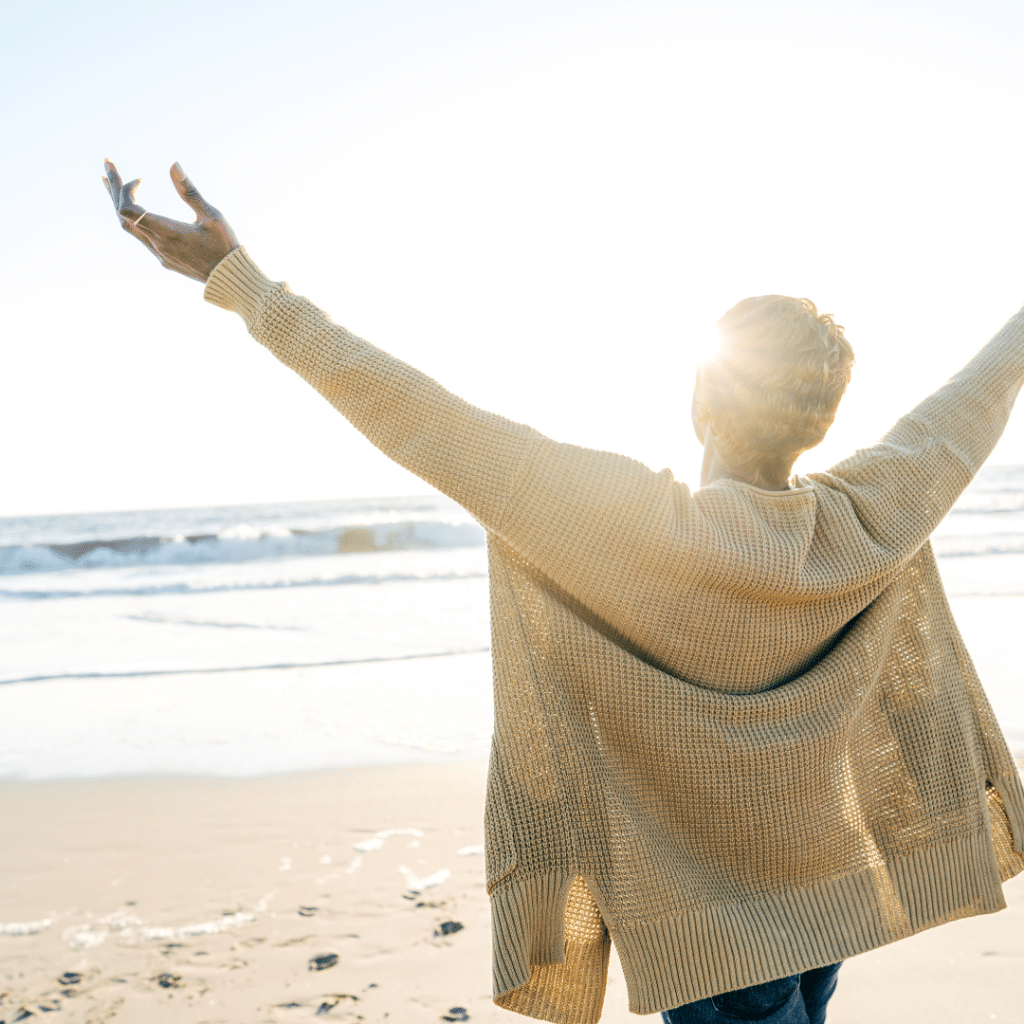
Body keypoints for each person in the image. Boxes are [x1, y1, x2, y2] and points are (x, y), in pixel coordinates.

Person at [101, 159, 1024, 1024]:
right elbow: (973, 397)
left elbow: (415, 415)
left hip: (710, 923)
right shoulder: (867, 517)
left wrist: (243, 285)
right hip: (829, 888)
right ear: (822, 425)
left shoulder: (627, 527)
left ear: (701, 404)